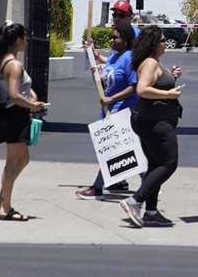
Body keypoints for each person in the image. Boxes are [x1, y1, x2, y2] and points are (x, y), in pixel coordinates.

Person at [121, 25, 183, 227]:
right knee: (169, 163)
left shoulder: (154, 62)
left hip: (151, 119)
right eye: (163, 40)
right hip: (154, 121)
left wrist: (173, 76)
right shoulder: (149, 63)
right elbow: (142, 89)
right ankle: (135, 200)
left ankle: (151, 211)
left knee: (156, 164)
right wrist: (168, 94)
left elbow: (156, 82)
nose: (166, 43)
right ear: (154, 43)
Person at [0, 22, 47, 222]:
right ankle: (5, 207)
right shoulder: (14, 64)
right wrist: (34, 105)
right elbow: (14, 95)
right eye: (25, 36)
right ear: (17, 40)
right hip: (14, 114)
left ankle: (1, 198)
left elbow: (12, 88)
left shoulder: (0, 60)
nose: (27, 40)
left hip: (10, 115)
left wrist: (28, 93)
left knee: (21, 159)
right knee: (14, 162)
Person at [76, 24, 137, 199]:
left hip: (123, 112)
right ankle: (149, 185)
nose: (111, 40)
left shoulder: (129, 58)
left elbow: (135, 86)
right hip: (109, 111)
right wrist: (96, 72)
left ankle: (97, 187)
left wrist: (112, 99)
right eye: (111, 37)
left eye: (115, 37)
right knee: (121, 151)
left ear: (125, 41)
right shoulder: (114, 57)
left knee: (112, 150)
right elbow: (107, 80)